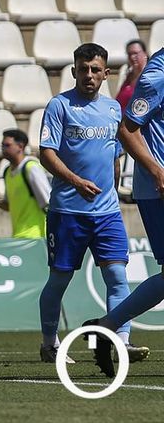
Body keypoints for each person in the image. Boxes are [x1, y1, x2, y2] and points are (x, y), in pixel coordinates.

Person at [36, 43, 147, 366]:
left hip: (107, 213)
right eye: (83, 69)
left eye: (95, 70)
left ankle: (121, 341)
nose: (89, 75)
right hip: (67, 212)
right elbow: (46, 153)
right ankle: (49, 343)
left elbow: (114, 158)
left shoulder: (113, 110)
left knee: (117, 277)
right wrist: (75, 181)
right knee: (59, 279)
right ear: (73, 71)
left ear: (106, 73)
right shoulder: (59, 106)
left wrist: (110, 191)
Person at [85, 45, 164, 376]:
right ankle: (107, 325)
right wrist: (159, 173)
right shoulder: (158, 74)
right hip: (158, 188)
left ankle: (106, 326)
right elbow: (128, 129)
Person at [0, 129, 51, 238]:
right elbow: (9, 206)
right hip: (18, 236)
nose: (3, 149)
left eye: (7, 145)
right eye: (2, 145)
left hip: (36, 236)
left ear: (20, 146)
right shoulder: (7, 172)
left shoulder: (31, 168)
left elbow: (48, 202)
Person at [115, 39, 149, 112]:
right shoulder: (127, 75)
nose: (132, 57)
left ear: (145, 54)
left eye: (135, 53)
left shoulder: (149, 77)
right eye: (129, 54)